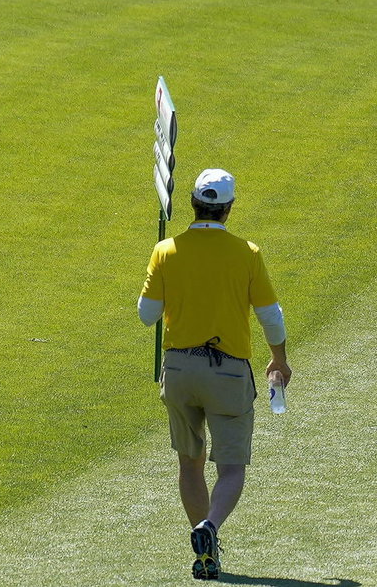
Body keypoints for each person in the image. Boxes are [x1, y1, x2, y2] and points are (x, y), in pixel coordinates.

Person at [139, 169, 291, 582]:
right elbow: (271, 317)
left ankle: (203, 547)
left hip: (179, 369)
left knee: (190, 464)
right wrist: (278, 359)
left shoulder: (166, 250)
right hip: (227, 371)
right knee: (232, 467)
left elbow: (147, 315)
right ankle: (211, 526)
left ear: (193, 204)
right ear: (229, 208)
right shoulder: (247, 253)